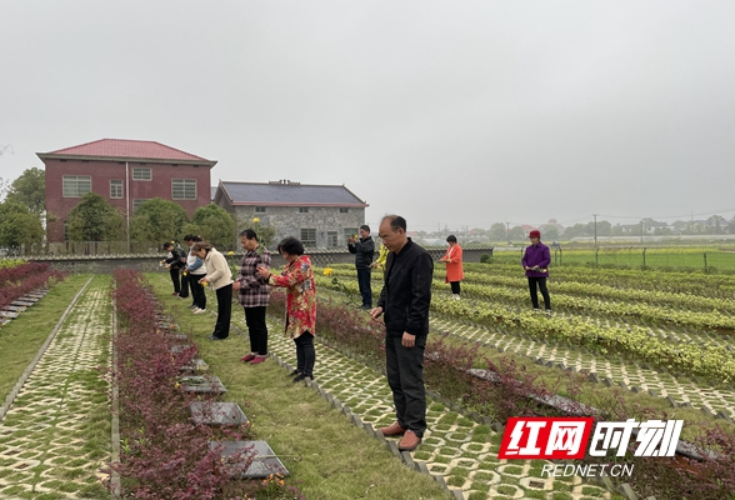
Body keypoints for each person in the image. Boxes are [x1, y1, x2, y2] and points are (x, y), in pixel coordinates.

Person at [370, 215, 433, 452]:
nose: (383, 241)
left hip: (409, 332)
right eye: (381, 237)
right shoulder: (393, 256)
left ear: (401, 232)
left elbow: (421, 297)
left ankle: (415, 428)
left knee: (410, 380)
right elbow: (389, 287)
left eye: (386, 236)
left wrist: (412, 329)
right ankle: (402, 420)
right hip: (393, 327)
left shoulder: (419, 257)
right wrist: (381, 305)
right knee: (395, 378)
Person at [257, 237, 316, 383]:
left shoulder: (303, 265)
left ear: (292, 251)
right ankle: (301, 368)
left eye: (285, 253)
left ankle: (308, 372)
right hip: (295, 306)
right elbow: (281, 278)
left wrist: (269, 276)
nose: (284, 256)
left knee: (305, 339)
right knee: (298, 338)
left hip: (304, 307)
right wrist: (267, 278)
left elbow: (288, 280)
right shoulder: (291, 264)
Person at [234, 229, 271, 365]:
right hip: (247, 296)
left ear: (253, 239)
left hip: (258, 295)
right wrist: (238, 280)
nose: (243, 245)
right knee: (250, 325)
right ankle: (254, 351)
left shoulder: (262, 254)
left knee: (259, 324)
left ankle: (262, 352)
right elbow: (241, 271)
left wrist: (242, 284)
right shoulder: (247, 254)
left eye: (244, 242)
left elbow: (261, 276)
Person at [192, 242, 233, 340]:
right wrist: (205, 278)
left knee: (224, 311)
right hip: (220, 286)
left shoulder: (215, 255)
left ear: (202, 250)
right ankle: (218, 332)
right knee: (222, 310)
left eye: (198, 254)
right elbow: (212, 271)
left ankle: (221, 334)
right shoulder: (209, 257)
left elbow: (220, 271)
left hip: (225, 285)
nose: (199, 257)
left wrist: (208, 279)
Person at [522, 229, 551, 312]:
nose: (532, 240)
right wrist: (525, 266)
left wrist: (538, 266)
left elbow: (547, 260)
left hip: (541, 272)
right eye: (531, 238)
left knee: (543, 289)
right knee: (532, 291)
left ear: (538, 238)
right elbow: (524, 260)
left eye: (534, 238)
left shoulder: (544, 248)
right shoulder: (528, 249)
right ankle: (535, 307)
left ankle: (548, 308)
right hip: (530, 273)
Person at [348, 225, 375, 309]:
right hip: (359, 266)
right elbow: (354, 251)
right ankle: (364, 303)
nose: (361, 234)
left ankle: (368, 304)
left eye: (362, 232)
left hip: (366, 266)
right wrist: (349, 244)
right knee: (361, 286)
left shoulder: (370, 242)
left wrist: (356, 243)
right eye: (360, 232)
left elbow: (365, 249)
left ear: (368, 232)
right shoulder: (360, 242)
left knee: (366, 286)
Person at [184, 235, 207, 314]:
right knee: (196, 291)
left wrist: (189, 268)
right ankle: (198, 305)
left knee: (200, 291)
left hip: (199, 273)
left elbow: (199, 262)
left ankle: (202, 307)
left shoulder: (199, 249)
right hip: (194, 273)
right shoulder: (192, 249)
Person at [439, 235, 464, 300]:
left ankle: (457, 294)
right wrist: (442, 259)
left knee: (456, 282)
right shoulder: (449, 248)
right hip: (450, 268)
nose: (449, 243)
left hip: (455, 268)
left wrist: (450, 260)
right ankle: (453, 294)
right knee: (452, 281)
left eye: (450, 242)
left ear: (454, 241)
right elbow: (446, 256)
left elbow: (457, 258)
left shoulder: (458, 248)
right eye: (449, 242)